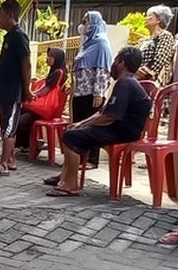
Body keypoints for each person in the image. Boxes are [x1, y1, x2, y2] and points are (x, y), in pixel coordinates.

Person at [44, 47, 150, 197]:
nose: (112, 65)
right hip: (117, 128)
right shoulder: (126, 82)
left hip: (123, 132)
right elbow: (103, 112)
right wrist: (80, 124)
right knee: (71, 130)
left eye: (115, 61)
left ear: (121, 64)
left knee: (71, 137)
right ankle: (64, 177)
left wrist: (83, 125)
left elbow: (109, 117)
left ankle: (71, 184)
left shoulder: (126, 84)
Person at [0, 0, 33, 177]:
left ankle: (3, 164)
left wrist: (27, 89)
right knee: (5, 124)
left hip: (13, 91)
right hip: (5, 91)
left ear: (10, 15)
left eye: (0, 15)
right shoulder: (9, 36)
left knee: (8, 129)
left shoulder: (18, 36)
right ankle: (10, 159)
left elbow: (26, 64)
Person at [70, 11, 114, 169]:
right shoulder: (87, 44)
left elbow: (102, 70)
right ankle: (80, 157)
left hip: (91, 93)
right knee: (79, 125)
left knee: (90, 125)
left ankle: (91, 159)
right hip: (80, 92)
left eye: (86, 22)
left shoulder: (101, 43)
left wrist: (99, 92)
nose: (83, 25)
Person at [15, 47, 69, 152]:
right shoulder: (57, 71)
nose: (48, 59)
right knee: (21, 114)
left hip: (44, 110)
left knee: (19, 120)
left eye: (51, 57)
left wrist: (29, 94)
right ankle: (30, 144)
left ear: (57, 58)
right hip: (44, 109)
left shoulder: (58, 72)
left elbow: (45, 91)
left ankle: (30, 144)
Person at [137, 6, 178, 87]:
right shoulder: (144, 40)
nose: (146, 18)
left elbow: (161, 58)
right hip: (138, 79)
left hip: (151, 82)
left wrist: (146, 72)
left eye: (150, 17)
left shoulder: (165, 36)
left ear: (158, 20)